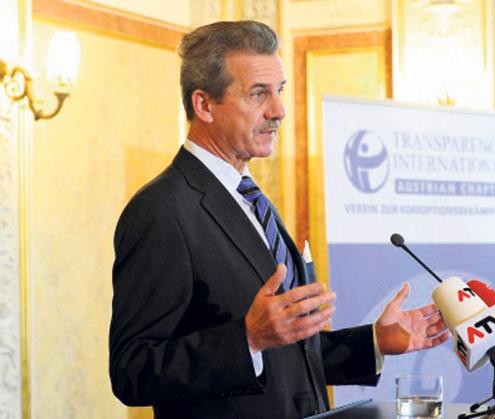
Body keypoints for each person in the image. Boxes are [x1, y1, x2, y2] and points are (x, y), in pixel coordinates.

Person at [109, 20, 449, 419]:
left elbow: (288, 351)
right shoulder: (162, 210)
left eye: (280, 91)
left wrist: (374, 341)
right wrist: (247, 339)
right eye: (259, 94)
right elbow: (132, 371)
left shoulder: (251, 199)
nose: (279, 111)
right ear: (204, 105)